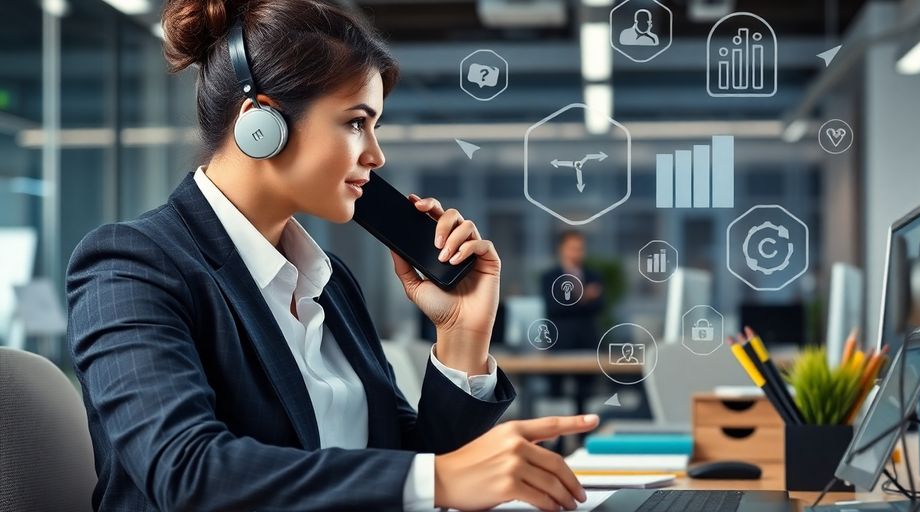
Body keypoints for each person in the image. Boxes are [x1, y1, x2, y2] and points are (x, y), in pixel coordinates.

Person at [65, 1, 597, 510]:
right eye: (355, 122)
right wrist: (439, 479)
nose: (376, 155)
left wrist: (461, 336)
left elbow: (403, 467)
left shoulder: (328, 282)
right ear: (260, 125)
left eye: (374, 126)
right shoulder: (131, 267)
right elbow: (186, 472)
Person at [540, 230, 605, 414]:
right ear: (561, 249)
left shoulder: (593, 276)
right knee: (556, 395)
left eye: (580, 248)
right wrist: (584, 298)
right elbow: (553, 307)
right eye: (572, 248)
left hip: (587, 342)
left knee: (585, 395)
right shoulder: (550, 277)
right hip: (560, 343)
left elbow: (599, 306)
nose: (577, 252)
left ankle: (583, 429)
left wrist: (572, 301)